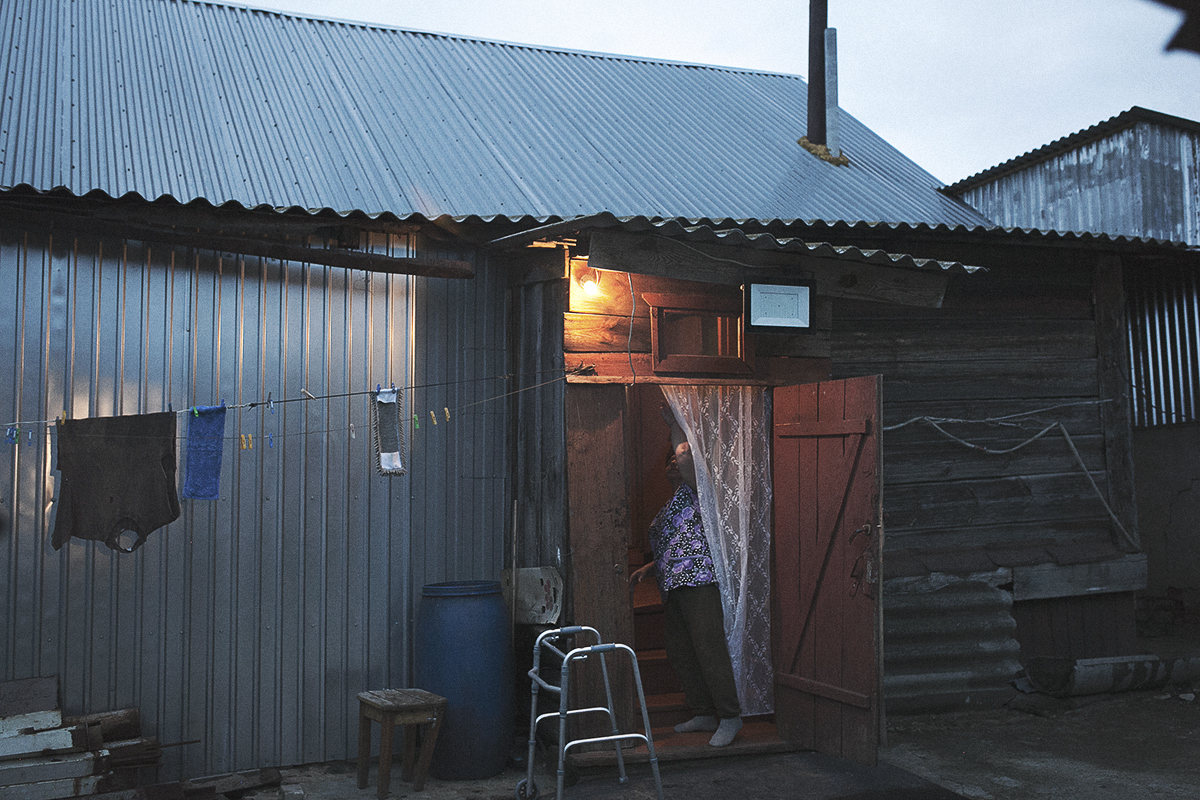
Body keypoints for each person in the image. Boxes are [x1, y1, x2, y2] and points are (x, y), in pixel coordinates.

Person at [630, 411, 742, 748]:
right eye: (669, 462)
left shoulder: (700, 492)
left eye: (679, 460)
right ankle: (704, 711)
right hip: (672, 586)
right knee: (681, 651)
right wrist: (649, 569)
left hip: (699, 581)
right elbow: (675, 543)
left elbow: (684, 457)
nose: (674, 464)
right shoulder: (670, 505)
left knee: (708, 647)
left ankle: (730, 715)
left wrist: (674, 425)